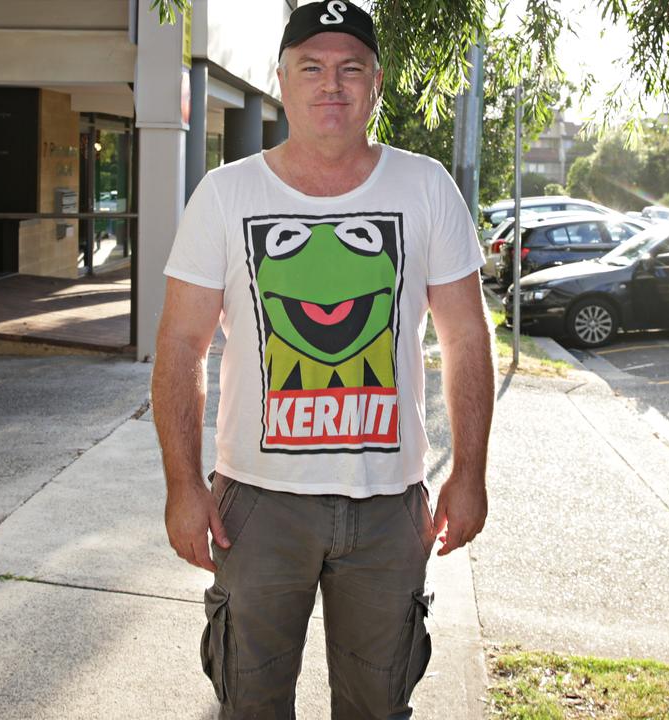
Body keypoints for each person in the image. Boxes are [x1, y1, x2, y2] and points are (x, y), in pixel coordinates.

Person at [151, 2, 494, 717]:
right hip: (256, 504)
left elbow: (466, 339)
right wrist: (184, 486)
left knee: (377, 705)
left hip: (388, 505)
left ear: (375, 85)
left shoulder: (426, 187)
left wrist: (469, 474)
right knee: (251, 702)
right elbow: (181, 346)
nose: (330, 85)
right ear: (281, 80)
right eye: (311, 67)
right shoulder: (225, 194)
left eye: (350, 69)